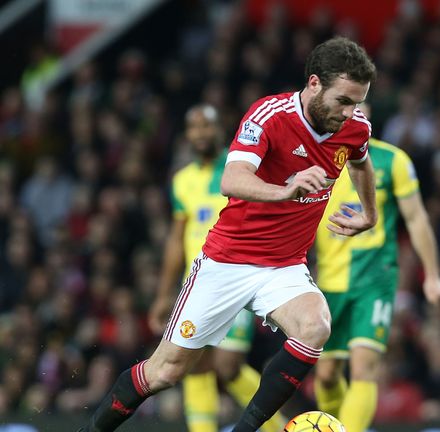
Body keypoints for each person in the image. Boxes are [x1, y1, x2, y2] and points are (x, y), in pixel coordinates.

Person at [79, 36, 378, 432]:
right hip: (227, 261)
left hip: (284, 265)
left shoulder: (355, 127)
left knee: (316, 325)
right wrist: (286, 189)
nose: (349, 112)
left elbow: (360, 162)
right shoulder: (269, 115)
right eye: (343, 100)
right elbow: (232, 179)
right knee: (165, 372)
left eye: (357, 102)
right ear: (314, 84)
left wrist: (370, 214)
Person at [146, 104, 284, 432]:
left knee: (229, 365)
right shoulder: (182, 181)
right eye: (193, 128)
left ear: (219, 129)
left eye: (206, 126)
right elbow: (176, 241)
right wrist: (165, 294)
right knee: (194, 365)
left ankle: (280, 427)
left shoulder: (241, 170)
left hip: (236, 275)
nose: (200, 134)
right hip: (196, 283)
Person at [312, 104, 440, 432]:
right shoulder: (315, 158)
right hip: (328, 281)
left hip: (375, 277)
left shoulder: (393, 161)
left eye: (362, 111)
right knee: (327, 374)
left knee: (364, 368)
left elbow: (416, 218)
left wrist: (432, 276)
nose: (355, 117)